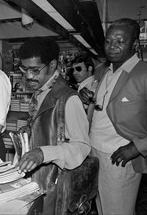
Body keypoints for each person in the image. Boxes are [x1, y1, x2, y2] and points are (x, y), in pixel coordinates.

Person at [80, 18, 147, 215]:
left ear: (135, 44)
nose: (112, 46)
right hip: (94, 151)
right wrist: (90, 99)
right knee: (102, 207)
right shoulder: (106, 71)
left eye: (120, 41)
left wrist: (138, 146)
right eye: (108, 41)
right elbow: (106, 106)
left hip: (119, 157)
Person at [15, 37, 91, 214]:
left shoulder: (68, 99)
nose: (28, 76)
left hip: (54, 186)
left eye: (35, 70)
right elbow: (49, 126)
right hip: (36, 182)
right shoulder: (39, 92)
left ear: (52, 65)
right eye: (24, 69)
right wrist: (30, 131)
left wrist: (44, 153)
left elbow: (82, 147)